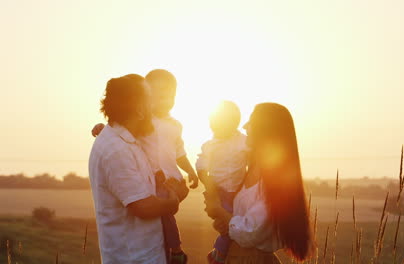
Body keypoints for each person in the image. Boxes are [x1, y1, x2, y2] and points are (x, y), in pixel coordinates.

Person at [92, 69, 197, 263]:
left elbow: (177, 153)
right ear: (139, 108)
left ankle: (173, 250)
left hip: (146, 253)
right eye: (151, 99)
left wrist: (185, 176)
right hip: (132, 258)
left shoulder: (131, 138)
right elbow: (143, 207)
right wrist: (172, 202)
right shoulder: (117, 148)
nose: (156, 105)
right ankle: (176, 250)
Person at [204, 103, 316, 264]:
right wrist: (223, 222)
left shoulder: (276, 181)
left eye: (251, 122)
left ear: (265, 130)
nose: (244, 126)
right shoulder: (250, 169)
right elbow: (238, 222)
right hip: (234, 256)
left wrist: (219, 211)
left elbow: (250, 232)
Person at [195, 101, 249, 263]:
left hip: (239, 191)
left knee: (235, 223)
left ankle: (219, 251)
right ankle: (218, 253)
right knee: (228, 224)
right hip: (217, 191)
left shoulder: (243, 142)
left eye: (223, 124)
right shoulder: (209, 145)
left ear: (235, 123)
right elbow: (201, 167)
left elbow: (254, 160)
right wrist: (211, 190)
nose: (218, 130)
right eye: (215, 126)